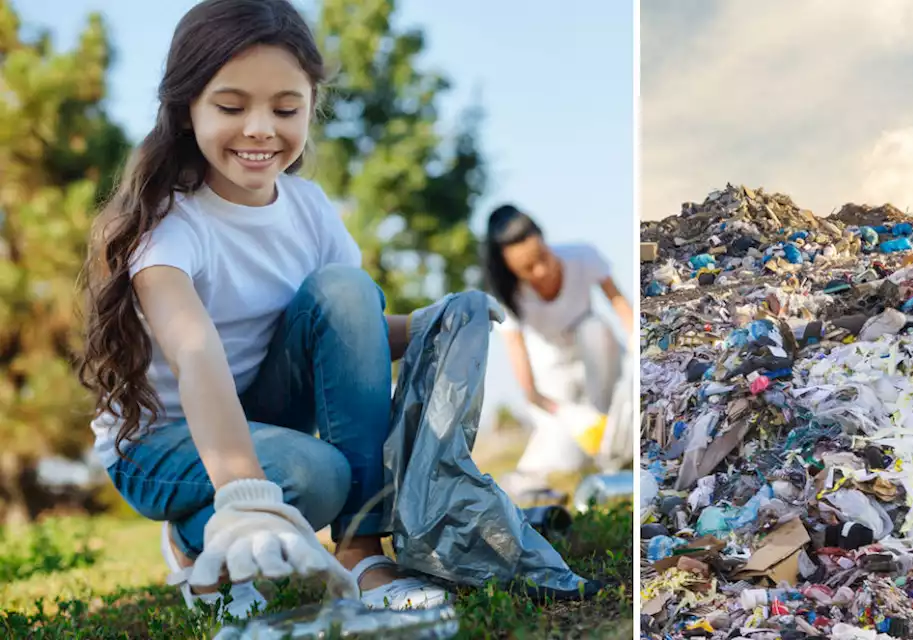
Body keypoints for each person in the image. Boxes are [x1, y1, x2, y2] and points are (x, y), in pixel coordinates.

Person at [78, 0, 484, 617]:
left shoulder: (310, 208)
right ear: (187, 109)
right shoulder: (168, 226)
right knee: (318, 475)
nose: (261, 129)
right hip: (164, 442)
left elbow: (358, 335)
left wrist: (441, 321)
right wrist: (244, 493)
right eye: (232, 107)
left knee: (346, 288)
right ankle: (200, 535)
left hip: (262, 412)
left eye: (286, 108)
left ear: (311, 106)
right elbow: (195, 351)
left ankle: (362, 554)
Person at [483, 205, 634, 499]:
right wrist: (569, 415)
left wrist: (633, 346)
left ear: (544, 239)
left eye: (542, 258)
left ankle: (613, 445)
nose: (539, 271)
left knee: (593, 328)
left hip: (599, 365)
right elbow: (530, 391)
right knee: (561, 459)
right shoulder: (507, 297)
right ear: (510, 269)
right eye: (527, 269)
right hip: (555, 386)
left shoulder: (582, 256)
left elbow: (621, 308)